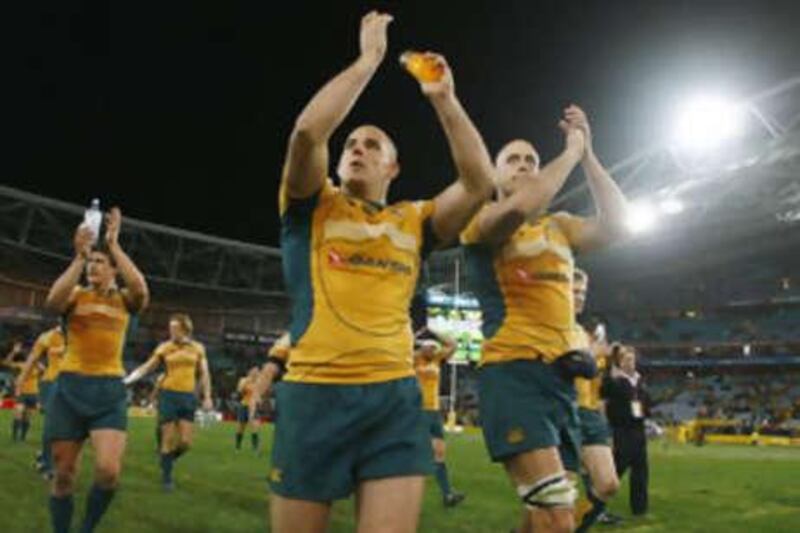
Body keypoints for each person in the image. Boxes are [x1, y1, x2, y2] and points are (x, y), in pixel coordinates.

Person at [271, 9, 494, 532]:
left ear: (393, 168)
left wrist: (444, 99)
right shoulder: (311, 205)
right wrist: (369, 59)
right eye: (351, 144)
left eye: (372, 145)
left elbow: (480, 182)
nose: (357, 149)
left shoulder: (414, 219)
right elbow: (306, 134)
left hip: (394, 398)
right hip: (313, 393)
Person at [460, 105, 628, 533]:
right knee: (558, 516)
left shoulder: (561, 226)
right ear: (494, 177)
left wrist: (587, 154)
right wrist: (569, 153)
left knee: (541, 517)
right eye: (512, 160)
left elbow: (618, 225)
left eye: (531, 160)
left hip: (560, 387)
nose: (523, 166)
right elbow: (521, 208)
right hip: (513, 373)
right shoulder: (482, 221)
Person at [44, 207, 149, 533]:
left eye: (99, 263)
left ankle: (87, 527)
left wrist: (113, 245)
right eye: (92, 263)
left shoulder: (124, 301)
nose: (94, 267)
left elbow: (142, 290)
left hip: (108, 390)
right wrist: (79, 257)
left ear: (113, 271)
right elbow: (51, 302)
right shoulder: (75, 295)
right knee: (63, 473)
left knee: (108, 471)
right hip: (70, 388)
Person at [124, 313, 213, 490]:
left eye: (175, 328)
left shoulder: (197, 348)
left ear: (185, 329)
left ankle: (167, 461)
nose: (171, 332)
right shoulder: (164, 347)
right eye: (170, 328)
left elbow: (204, 373)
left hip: (188, 396)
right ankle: (167, 478)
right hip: (168, 395)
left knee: (186, 443)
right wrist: (127, 380)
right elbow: (148, 366)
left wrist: (207, 396)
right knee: (167, 439)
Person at [566, 268, 620, 532]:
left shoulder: (579, 332)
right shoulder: (554, 326)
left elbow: (594, 380)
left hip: (589, 413)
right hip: (565, 413)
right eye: (574, 291)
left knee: (608, 484)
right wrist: (592, 353)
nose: (579, 297)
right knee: (555, 499)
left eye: (583, 293)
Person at [413, 330, 465, 507]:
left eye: (434, 348)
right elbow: (399, 351)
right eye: (429, 347)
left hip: (433, 412)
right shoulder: (413, 359)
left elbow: (453, 344)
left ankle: (447, 494)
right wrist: (414, 338)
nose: (433, 351)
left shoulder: (436, 359)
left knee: (439, 454)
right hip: (417, 412)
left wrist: (433, 330)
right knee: (414, 455)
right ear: (422, 348)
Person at [602, 344, 650, 518]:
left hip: (638, 429)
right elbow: (604, 393)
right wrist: (609, 374)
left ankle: (640, 509)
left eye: (633, 359)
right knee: (617, 469)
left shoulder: (639, 380)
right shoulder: (614, 380)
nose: (631, 363)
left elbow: (645, 402)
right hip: (622, 430)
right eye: (627, 359)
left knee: (641, 472)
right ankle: (598, 504)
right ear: (620, 362)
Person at [14, 323, 66, 477]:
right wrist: (21, 379)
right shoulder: (47, 336)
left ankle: (44, 455)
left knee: (65, 427)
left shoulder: (81, 332)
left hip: (74, 382)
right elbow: (32, 358)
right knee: (53, 423)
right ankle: (48, 465)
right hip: (52, 382)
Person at [4, 341, 41, 443]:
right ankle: (15, 437)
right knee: (18, 413)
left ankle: (22, 438)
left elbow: (44, 369)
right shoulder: (21, 365)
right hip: (22, 393)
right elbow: (7, 363)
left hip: (33, 394)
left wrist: (36, 360)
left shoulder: (37, 366)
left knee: (27, 417)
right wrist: (13, 352)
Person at [235, 366, 261, 452]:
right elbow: (239, 391)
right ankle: (238, 447)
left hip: (254, 406)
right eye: (254, 371)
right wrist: (246, 383)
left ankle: (255, 448)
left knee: (254, 427)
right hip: (244, 405)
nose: (256, 373)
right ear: (250, 372)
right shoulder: (243, 380)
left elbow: (259, 396)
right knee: (240, 428)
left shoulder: (259, 382)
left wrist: (257, 401)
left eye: (257, 371)